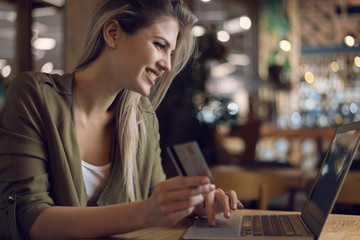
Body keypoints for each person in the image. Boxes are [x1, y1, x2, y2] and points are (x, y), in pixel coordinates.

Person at [0, 0, 243, 239]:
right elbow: (28, 218)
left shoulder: (143, 117)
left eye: (171, 53)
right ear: (113, 33)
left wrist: (190, 205)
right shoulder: (34, 94)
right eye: (159, 45)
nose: (168, 65)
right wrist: (147, 212)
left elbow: (153, 197)